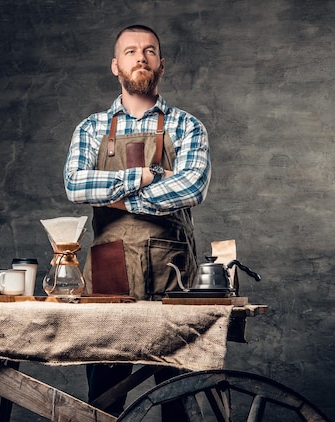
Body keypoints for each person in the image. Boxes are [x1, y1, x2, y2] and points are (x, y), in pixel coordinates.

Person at [63, 25, 211, 419]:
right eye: (130, 51)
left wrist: (119, 199)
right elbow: (75, 185)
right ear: (116, 65)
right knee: (104, 394)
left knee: (175, 392)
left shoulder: (188, 126)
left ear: (161, 63)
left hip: (172, 272)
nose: (140, 57)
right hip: (110, 272)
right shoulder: (92, 128)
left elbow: (192, 187)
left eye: (149, 50)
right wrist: (144, 177)